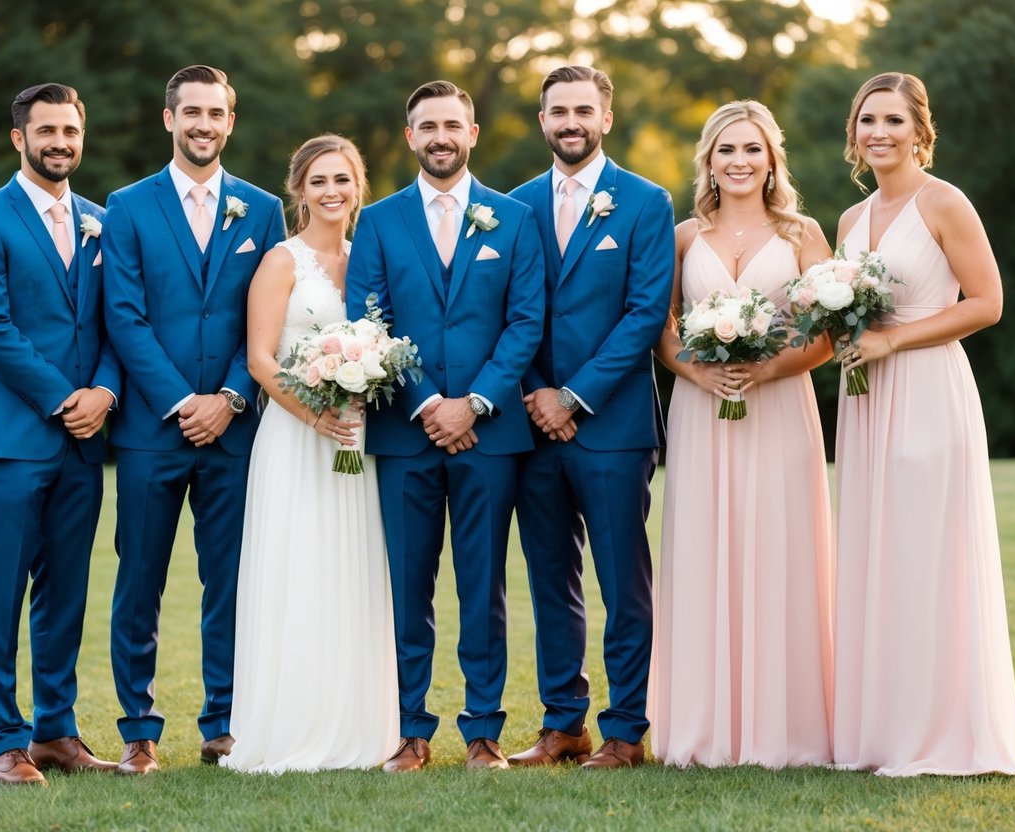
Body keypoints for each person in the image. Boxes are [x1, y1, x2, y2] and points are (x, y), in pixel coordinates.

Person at [831, 71, 1015, 776]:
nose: (878, 133)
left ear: (920, 130)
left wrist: (893, 340)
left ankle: (939, 731)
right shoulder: (850, 222)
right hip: (863, 397)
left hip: (924, 390)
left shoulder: (943, 202)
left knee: (923, 554)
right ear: (853, 133)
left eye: (892, 120)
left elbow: (985, 303)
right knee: (873, 555)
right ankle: (881, 731)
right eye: (866, 121)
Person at [345, 80, 545, 772]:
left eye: (451, 125)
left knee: (482, 586)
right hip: (406, 434)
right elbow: (369, 323)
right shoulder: (377, 221)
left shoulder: (513, 219)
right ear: (409, 137)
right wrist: (431, 404)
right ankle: (410, 728)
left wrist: (477, 403)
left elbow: (525, 323)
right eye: (426, 125)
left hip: (491, 436)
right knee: (407, 585)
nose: (439, 136)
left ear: (472, 133)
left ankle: (483, 729)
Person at [102, 65, 286, 774]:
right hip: (153, 431)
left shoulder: (262, 208)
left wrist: (232, 397)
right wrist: (184, 402)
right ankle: (138, 728)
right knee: (139, 582)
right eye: (192, 113)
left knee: (231, 583)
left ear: (230, 122)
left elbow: (263, 319)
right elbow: (123, 315)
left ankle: (223, 722)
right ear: (168, 119)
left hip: (237, 432)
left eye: (216, 113)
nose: (204, 124)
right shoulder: (126, 205)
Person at [647, 100, 834, 768]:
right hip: (702, 414)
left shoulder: (802, 233)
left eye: (752, 149)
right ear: (709, 159)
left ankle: (785, 727)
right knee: (704, 549)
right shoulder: (683, 235)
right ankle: (703, 728)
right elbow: (662, 327)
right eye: (726, 150)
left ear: (771, 159)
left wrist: (769, 367)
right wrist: (694, 375)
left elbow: (829, 335)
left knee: (780, 549)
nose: (738, 162)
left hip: (780, 408)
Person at [0, 82, 120, 784]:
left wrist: (105, 391)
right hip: (14, 435)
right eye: (46, 130)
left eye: (70, 131)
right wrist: (63, 398)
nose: (60, 142)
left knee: (65, 591)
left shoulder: (101, 221)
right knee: (0, 588)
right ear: (19, 137)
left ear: (82, 136)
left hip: (85, 439)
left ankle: (56, 731)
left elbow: (119, 321)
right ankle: (3, 740)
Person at [508, 65, 673, 769]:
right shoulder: (511, 206)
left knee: (620, 582)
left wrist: (571, 397)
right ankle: (562, 722)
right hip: (529, 425)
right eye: (556, 111)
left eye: (582, 109)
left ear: (604, 117)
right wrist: (538, 396)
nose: (569, 121)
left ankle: (625, 728)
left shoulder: (644, 202)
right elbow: (507, 313)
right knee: (550, 581)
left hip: (611, 426)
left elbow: (644, 314)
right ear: (541, 120)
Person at [220, 135, 399, 773]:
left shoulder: (369, 257)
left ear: (359, 188)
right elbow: (260, 360)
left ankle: (357, 727)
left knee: (352, 571)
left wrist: (358, 395)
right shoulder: (281, 261)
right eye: (319, 180)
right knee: (299, 571)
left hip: (357, 437)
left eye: (343, 180)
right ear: (299, 189)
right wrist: (313, 412)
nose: (332, 192)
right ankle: (292, 725)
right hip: (298, 439)